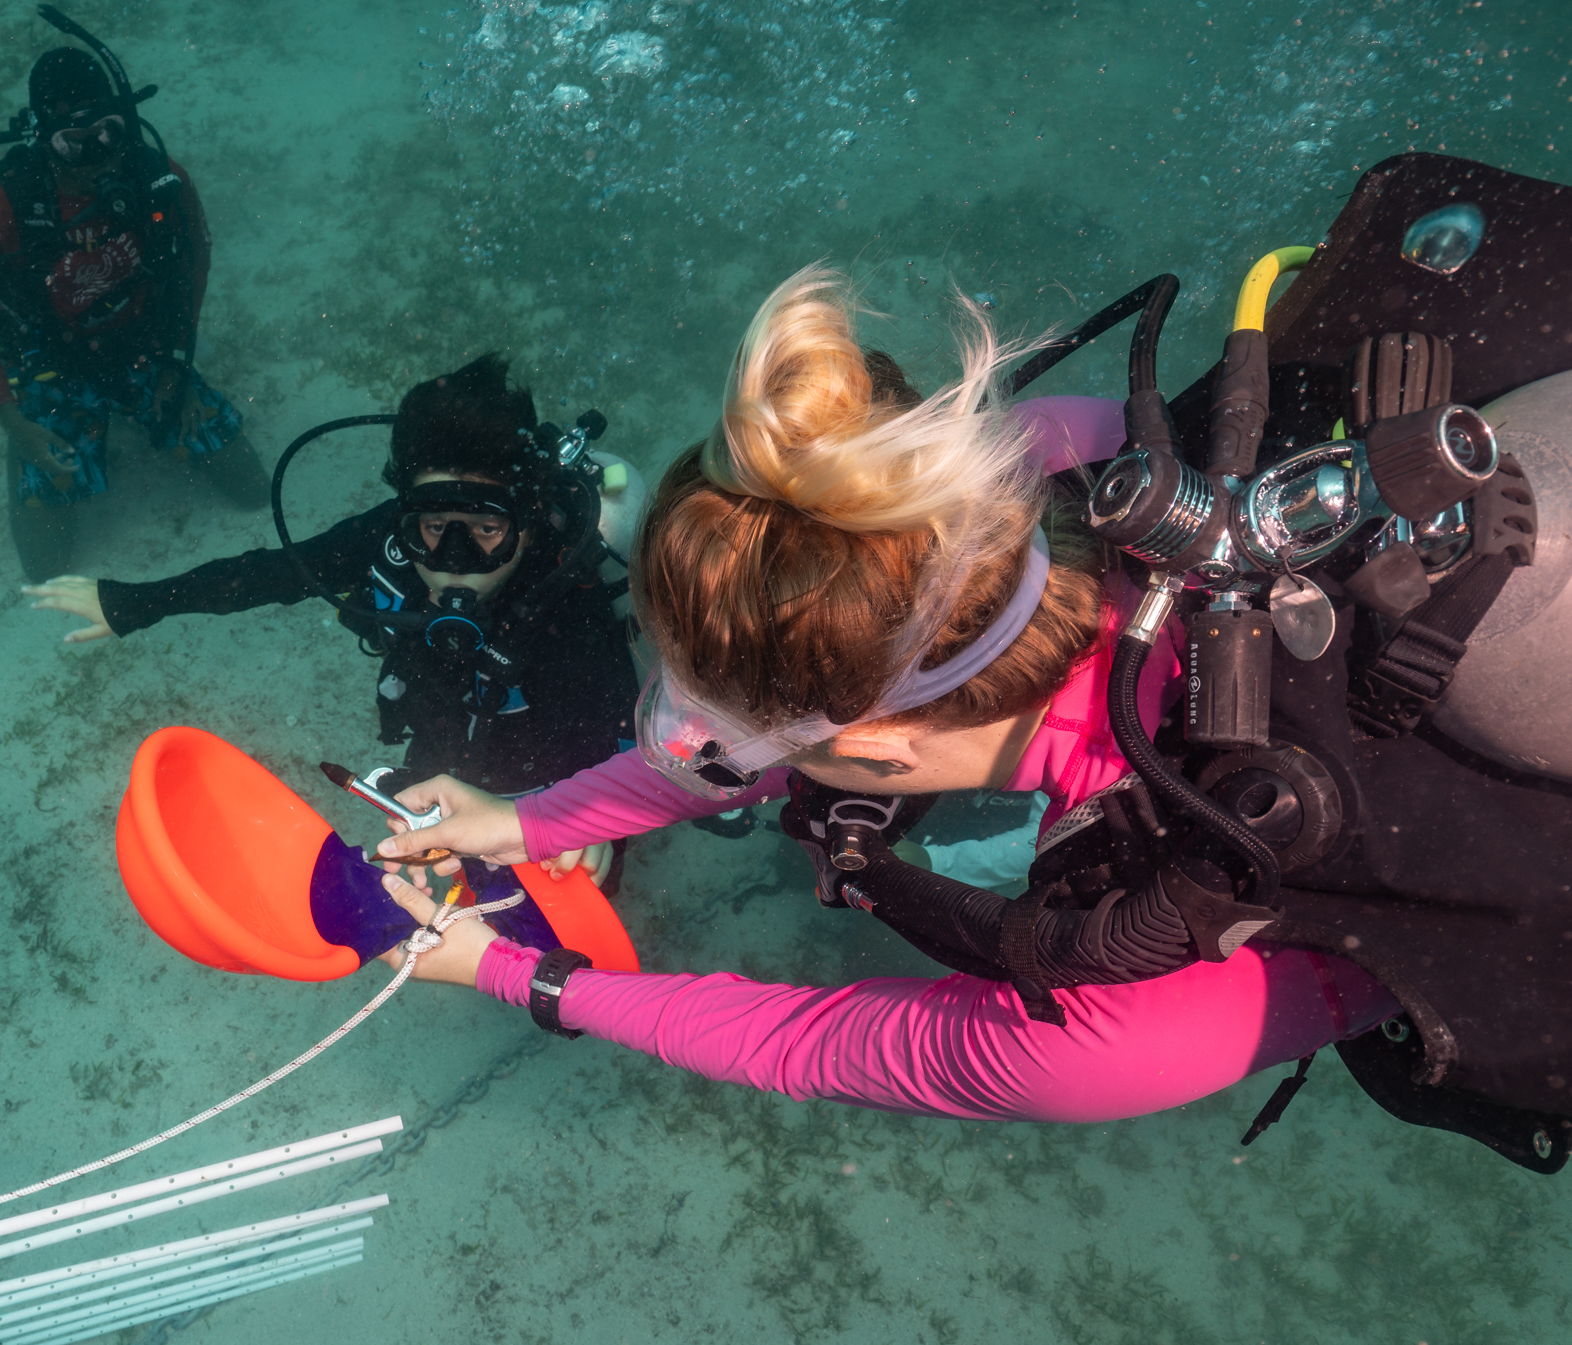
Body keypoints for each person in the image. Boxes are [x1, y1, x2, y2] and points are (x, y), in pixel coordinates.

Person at [365, 260, 1572, 1167]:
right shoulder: (1037, 468)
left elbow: (801, 1038)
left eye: (720, 731)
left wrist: (512, 971)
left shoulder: (1114, 1020)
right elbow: (821, 679)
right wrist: (516, 823)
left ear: (879, 745)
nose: (691, 751)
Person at [26, 355, 641, 886]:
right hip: (450, 731)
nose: (453, 563)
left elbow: (602, 744)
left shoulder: (568, 607)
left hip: (545, 754)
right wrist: (135, 603)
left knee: (586, 871)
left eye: (485, 531)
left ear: (527, 523)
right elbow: (270, 574)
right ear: (408, 516)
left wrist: (588, 828)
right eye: (434, 529)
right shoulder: (386, 539)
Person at [0, 15, 268, 580]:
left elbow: (192, 268)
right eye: (73, 141)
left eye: (110, 133)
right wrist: (13, 420)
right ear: (42, 138)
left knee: (252, 490)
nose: (97, 155)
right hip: (47, 356)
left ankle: (143, 396)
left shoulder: (162, 180)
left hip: (137, 342)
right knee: (45, 566)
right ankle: (9, 402)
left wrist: (176, 364)